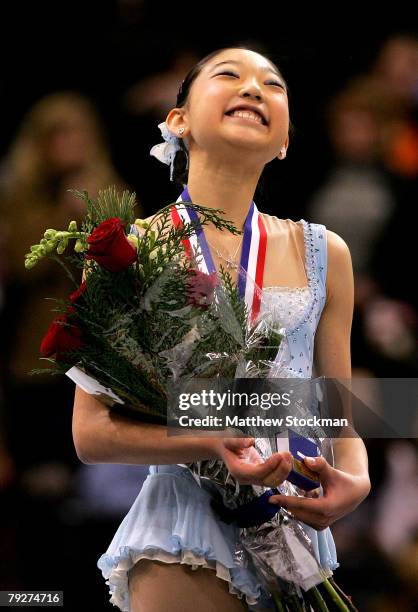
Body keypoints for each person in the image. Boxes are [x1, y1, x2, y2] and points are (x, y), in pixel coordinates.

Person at [72, 46, 371, 612]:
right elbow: (91, 436)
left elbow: (338, 415)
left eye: (273, 84)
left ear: (284, 142)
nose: (254, 88)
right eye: (230, 75)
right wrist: (211, 441)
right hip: (184, 530)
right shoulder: (128, 253)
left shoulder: (328, 253)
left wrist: (356, 479)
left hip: (296, 526)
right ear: (178, 120)